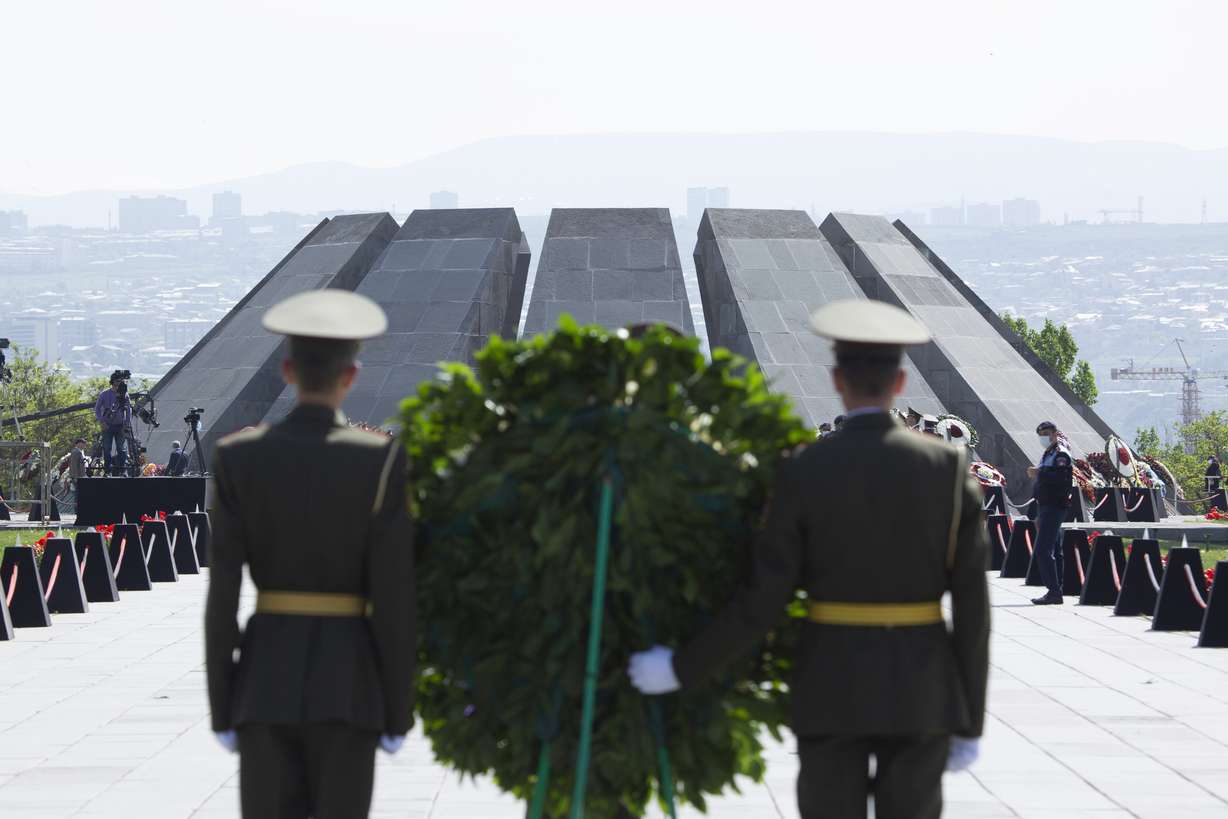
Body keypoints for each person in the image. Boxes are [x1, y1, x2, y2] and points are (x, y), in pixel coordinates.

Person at [628, 299, 990, 819]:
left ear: (837, 380)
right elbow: (974, 613)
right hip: (922, 688)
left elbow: (764, 598)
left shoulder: (804, 469)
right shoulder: (950, 473)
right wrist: (969, 719)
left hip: (830, 682)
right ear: (901, 383)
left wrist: (685, 667)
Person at [205, 290, 417, 819]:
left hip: (264, 683)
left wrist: (223, 705)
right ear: (351, 376)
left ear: (287, 371)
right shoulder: (382, 460)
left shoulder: (238, 457)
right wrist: (397, 710)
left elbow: (223, 596)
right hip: (350, 685)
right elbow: (395, 598)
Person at [1027, 421, 1072, 605]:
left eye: (1046, 433)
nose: (1044, 437)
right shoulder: (1049, 453)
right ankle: (1058, 588)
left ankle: (1053, 591)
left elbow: (1062, 478)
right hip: (1045, 506)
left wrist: (1040, 472)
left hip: (1055, 506)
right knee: (1054, 549)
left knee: (1042, 551)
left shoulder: (1061, 453)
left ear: (1054, 433)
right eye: (1041, 434)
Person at [94, 374, 131, 476]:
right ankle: (108, 471)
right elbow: (97, 409)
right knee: (107, 448)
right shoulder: (104, 394)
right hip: (107, 426)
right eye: (117, 381)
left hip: (120, 426)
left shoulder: (125, 395)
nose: (119, 383)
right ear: (113, 382)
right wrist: (101, 421)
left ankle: (122, 470)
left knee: (121, 448)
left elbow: (128, 410)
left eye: (120, 381)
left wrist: (126, 424)